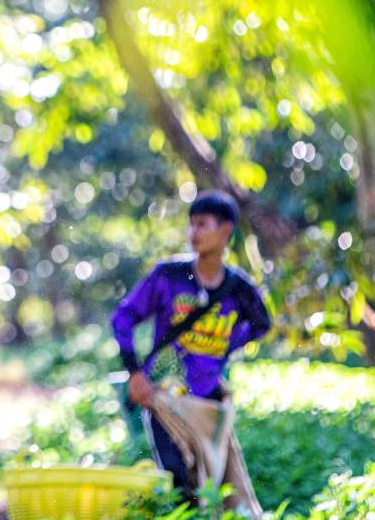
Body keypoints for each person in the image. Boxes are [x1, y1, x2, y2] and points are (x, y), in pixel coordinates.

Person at [111, 190, 270, 498]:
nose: (193, 233)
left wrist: (225, 348)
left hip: (208, 399)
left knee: (211, 485)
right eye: (191, 224)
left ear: (225, 231)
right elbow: (123, 317)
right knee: (177, 480)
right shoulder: (169, 276)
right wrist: (134, 373)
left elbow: (262, 324)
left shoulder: (238, 288)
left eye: (202, 224)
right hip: (163, 395)